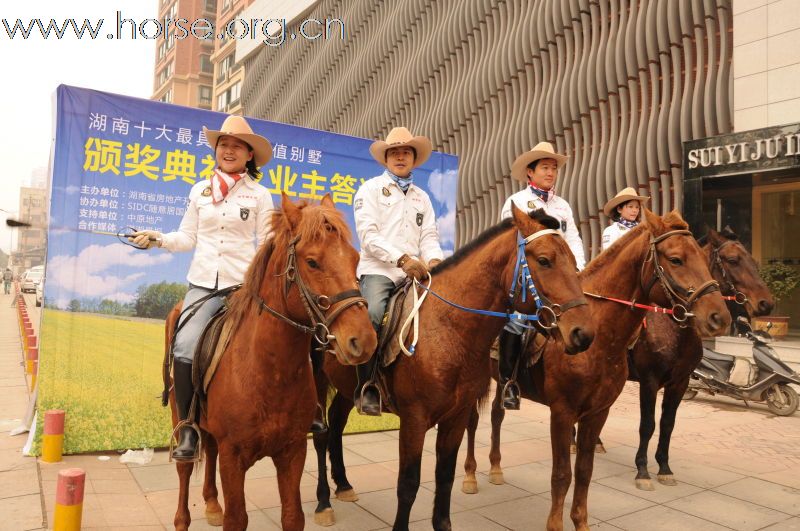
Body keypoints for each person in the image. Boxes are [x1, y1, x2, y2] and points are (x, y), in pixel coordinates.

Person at [130, 115, 274, 461]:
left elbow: (268, 242)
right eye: (223, 144)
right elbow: (187, 238)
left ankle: (304, 411)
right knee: (185, 344)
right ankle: (188, 428)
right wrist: (158, 238)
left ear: (249, 155)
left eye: (237, 146)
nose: (229, 150)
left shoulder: (259, 195)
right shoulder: (200, 190)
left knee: (284, 336)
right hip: (205, 285)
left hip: (244, 287)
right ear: (216, 150)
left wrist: (256, 280)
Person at [352, 126, 444, 415]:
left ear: (414, 159)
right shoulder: (369, 190)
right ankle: (368, 386)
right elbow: (368, 236)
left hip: (414, 274)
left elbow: (429, 236)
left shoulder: (422, 198)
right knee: (373, 315)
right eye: (394, 152)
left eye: (406, 152)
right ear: (386, 158)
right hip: (379, 270)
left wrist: (434, 260)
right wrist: (402, 259)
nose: (400, 157)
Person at [497, 142, 585, 410]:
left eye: (554, 168)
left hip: (558, 277)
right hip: (528, 275)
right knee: (515, 322)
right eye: (545, 167)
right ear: (530, 173)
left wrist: (578, 269)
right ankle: (508, 383)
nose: (550, 172)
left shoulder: (563, 206)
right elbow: (507, 240)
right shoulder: (517, 202)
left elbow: (573, 239)